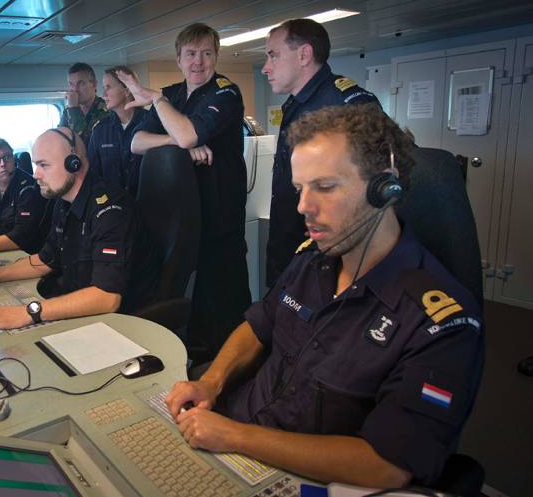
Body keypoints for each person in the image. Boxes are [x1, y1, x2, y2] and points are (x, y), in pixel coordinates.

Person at [165, 104, 484, 489]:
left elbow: (387, 464)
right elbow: (258, 327)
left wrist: (233, 436)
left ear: (384, 188)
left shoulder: (440, 321)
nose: (303, 207)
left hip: (295, 478)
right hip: (228, 440)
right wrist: (211, 383)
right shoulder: (312, 260)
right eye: (301, 189)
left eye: (325, 187)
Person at [0, 127, 159, 334]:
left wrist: (30, 312)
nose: (36, 174)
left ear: (74, 164)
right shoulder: (63, 202)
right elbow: (45, 260)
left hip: (114, 323)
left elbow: (107, 297)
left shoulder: (111, 211)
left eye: (43, 165)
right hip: (77, 304)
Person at [121, 23, 250, 356]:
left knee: (223, 308)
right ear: (178, 58)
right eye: (191, 54)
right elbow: (135, 142)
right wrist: (175, 142)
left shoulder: (225, 92)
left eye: (207, 53)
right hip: (183, 221)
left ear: (216, 57)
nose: (198, 62)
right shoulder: (174, 95)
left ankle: (231, 373)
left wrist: (165, 114)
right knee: (189, 307)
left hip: (219, 223)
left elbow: (190, 135)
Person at [263, 18, 381, 289]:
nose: (266, 68)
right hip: (291, 241)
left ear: (304, 55)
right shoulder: (296, 101)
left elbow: (381, 172)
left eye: (273, 56)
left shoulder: (344, 103)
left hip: (325, 252)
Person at [86, 66, 146, 196]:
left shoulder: (150, 122)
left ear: (126, 90)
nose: (104, 95)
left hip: (148, 204)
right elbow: (94, 175)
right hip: (115, 208)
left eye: (108, 87)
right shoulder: (100, 131)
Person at [58, 62, 109, 144]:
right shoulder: (68, 112)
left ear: (94, 84)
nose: (75, 89)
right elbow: (60, 140)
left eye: (81, 83)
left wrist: (74, 110)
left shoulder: (106, 110)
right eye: (71, 84)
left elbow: (85, 143)